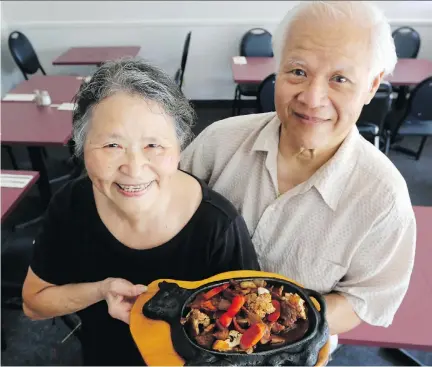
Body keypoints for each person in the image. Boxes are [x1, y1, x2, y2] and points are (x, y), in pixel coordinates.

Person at [181, 0, 416, 349]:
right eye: (298, 72)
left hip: (291, 350)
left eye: (339, 78)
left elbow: (363, 299)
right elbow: (164, 213)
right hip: (187, 332)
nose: (312, 97)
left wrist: (266, 319)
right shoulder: (218, 142)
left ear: (371, 86)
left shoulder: (383, 198)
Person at [22, 58, 260, 366]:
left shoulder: (217, 226)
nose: (133, 169)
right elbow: (33, 303)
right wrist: (99, 290)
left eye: (154, 146)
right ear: (81, 148)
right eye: (111, 146)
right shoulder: (72, 205)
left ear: (180, 148)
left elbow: (252, 329)